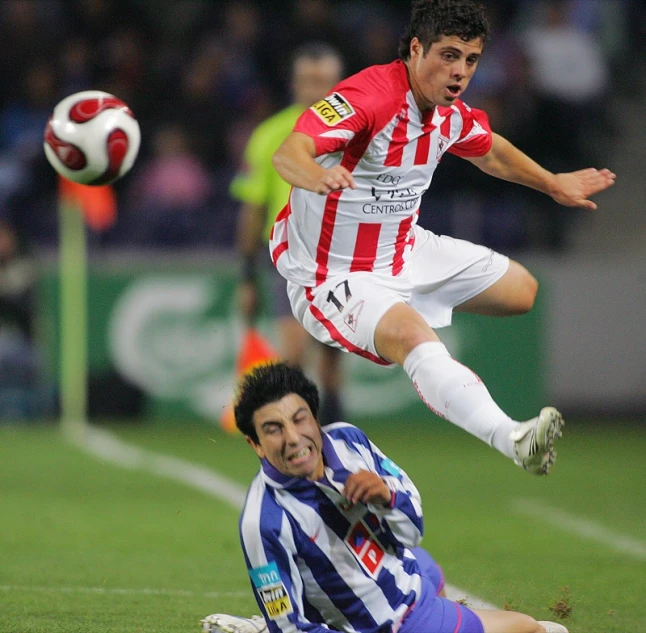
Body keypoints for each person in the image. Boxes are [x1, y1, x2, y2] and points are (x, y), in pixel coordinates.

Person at [267, 0, 616, 474]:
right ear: (415, 49)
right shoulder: (367, 96)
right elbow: (289, 153)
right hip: (331, 275)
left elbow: (490, 151)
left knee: (523, 291)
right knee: (415, 335)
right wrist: (315, 176)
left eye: (471, 60)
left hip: (404, 249)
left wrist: (553, 183)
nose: (460, 72)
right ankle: (513, 438)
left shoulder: (448, 114)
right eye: (448, 55)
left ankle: (417, 338)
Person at [200, 362, 569, 633]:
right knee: (536, 630)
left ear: (315, 417)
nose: (293, 438)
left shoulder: (348, 440)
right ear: (255, 444)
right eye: (273, 429)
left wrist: (387, 497)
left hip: (400, 571)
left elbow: (412, 531)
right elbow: (289, 629)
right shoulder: (263, 521)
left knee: (430, 569)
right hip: (393, 621)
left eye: (299, 419)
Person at [230, 43, 347, 425]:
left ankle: (334, 432)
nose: (315, 89)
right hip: (289, 256)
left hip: (341, 254)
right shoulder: (271, 134)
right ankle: (298, 432)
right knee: (295, 352)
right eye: (308, 81)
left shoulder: (356, 134)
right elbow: (253, 208)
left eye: (323, 81)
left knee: (333, 353)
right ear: (294, 84)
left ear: (337, 84)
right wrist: (247, 277)